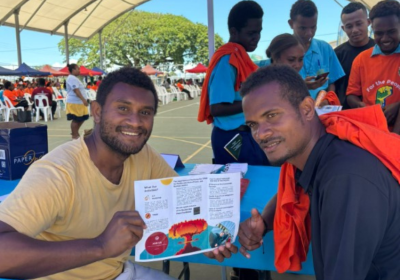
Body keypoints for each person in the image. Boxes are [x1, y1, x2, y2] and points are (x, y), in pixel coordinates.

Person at [0, 67, 178, 280]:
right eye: (123, 108)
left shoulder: (143, 156)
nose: (136, 122)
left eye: (145, 112)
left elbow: (179, 199)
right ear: (97, 112)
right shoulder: (57, 173)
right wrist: (100, 245)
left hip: (118, 272)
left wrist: (209, 234)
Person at [226, 64, 400, 280]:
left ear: (307, 109)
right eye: (253, 124)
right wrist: (263, 222)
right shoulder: (321, 152)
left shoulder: (346, 178)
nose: (260, 134)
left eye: (272, 115)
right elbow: (294, 186)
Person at [198, 0, 269, 166]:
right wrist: (253, 101)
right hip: (233, 138)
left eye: (259, 32)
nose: (256, 38)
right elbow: (217, 108)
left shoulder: (242, 58)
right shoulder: (228, 60)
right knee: (240, 188)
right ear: (234, 32)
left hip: (247, 134)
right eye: (251, 33)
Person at [347, 1, 400, 133]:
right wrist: (361, 106)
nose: (385, 38)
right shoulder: (361, 60)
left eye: (391, 32)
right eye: (379, 33)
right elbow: (351, 96)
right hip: (371, 130)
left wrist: (398, 106)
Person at [289, 0, 345, 99]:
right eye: (303, 28)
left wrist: (328, 100)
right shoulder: (281, 51)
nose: (309, 33)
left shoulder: (325, 48)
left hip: (323, 108)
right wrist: (301, 85)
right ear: (291, 24)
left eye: (313, 27)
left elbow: (332, 82)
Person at [334, 2, 375, 109]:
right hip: (346, 114)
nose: (355, 30)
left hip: (379, 112)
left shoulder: (381, 49)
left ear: (368, 22)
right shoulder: (336, 54)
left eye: (359, 23)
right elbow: (332, 86)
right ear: (343, 29)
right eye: (349, 26)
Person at [65, 63, 89, 139]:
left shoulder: (74, 78)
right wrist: (83, 99)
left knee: (83, 118)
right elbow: (76, 90)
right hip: (75, 102)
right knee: (76, 119)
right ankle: (74, 135)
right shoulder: (71, 78)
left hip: (79, 102)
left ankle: (76, 133)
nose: (79, 70)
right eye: (78, 69)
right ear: (73, 70)